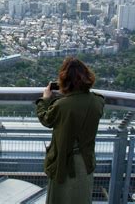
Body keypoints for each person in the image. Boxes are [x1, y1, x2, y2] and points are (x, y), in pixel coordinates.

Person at [35, 57, 105, 204]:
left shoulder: (62, 105)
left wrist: (45, 100)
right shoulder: (98, 102)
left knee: (59, 198)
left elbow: (46, 119)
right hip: (86, 162)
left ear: (64, 80)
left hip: (63, 164)